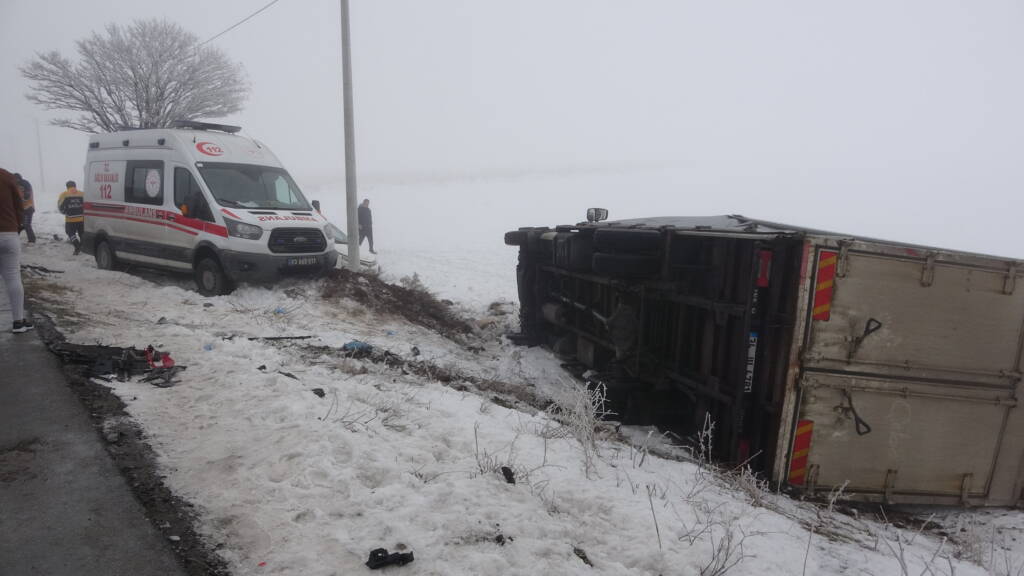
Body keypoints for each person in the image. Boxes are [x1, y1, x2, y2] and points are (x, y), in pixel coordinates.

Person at [0, 168, 32, 333]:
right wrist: (18, 225)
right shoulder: (7, 176)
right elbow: (19, 205)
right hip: (8, 233)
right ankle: (18, 321)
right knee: (13, 277)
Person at [58, 180, 85, 255]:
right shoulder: (82, 194)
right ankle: (83, 246)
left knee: (70, 232)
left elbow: (60, 206)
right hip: (81, 218)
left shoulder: (64, 194)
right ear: (75, 186)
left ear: (67, 187)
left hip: (70, 219)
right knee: (82, 233)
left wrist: (65, 212)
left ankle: (77, 246)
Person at [13, 173, 35, 243]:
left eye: (15, 179)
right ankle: (14, 240)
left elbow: (27, 195)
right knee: (19, 225)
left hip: (28, 207)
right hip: (21, 208)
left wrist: (19, 197)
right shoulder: (17, 185)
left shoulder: (24, 183)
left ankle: (32, 240)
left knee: (26, 224)